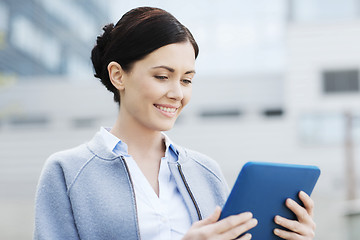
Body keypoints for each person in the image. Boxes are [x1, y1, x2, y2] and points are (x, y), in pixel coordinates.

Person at [34, 7, 316, 240]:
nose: (177, 93)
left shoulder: (206, 172)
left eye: (186, 80)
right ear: (118, 75)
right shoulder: (67, 172)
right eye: (161, 76)